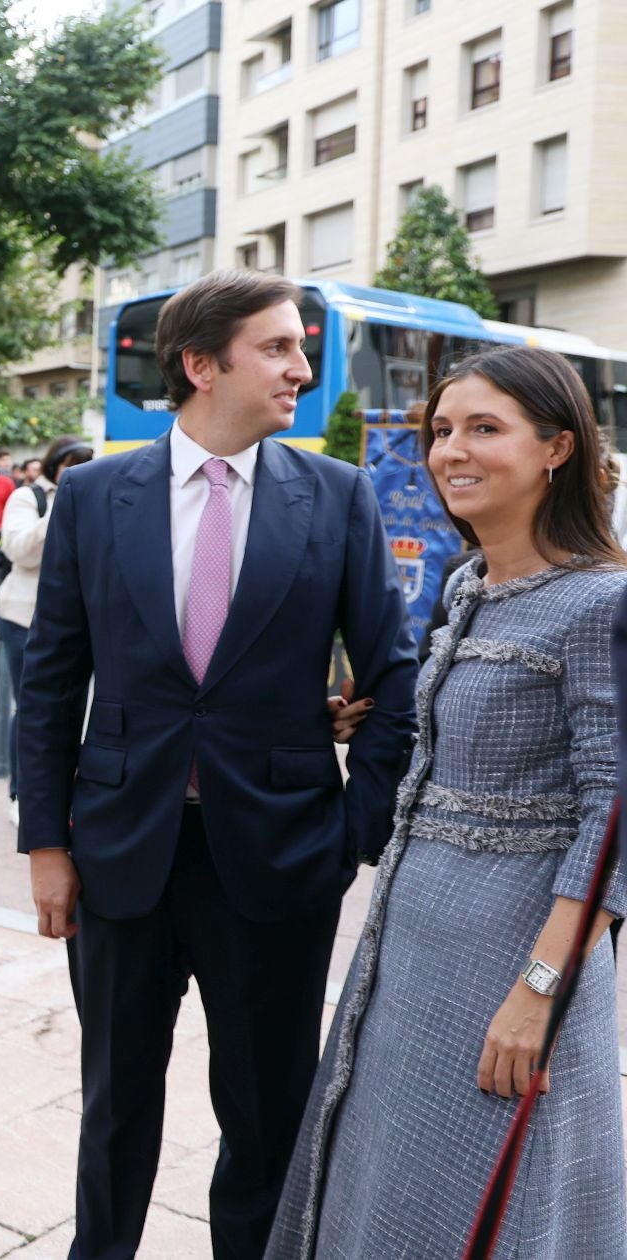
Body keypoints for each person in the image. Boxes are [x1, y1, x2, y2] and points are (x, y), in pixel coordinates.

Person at [16, 271, 418, 1259]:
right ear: (202, 364)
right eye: (279, 346)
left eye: (301, 346)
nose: (302, 366)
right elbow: (52, 681)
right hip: (118, 854)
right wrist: (44, 845)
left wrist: (350, 834)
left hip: (281, 859)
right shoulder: (95, 495)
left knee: (268, 1113)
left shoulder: (337, 497)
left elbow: (393, 676)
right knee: (116, 1106)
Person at [268, 347, 627, 1258]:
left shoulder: (602, 603)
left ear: (557, 448)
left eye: (483, 428)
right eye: (440, 430)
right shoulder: (468, 586)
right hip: (409, 941)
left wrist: (540, 993)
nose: (449, 451)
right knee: (389, 1178)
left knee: (493, 1199)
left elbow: (614, 816)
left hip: (515, 955)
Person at [0, 436, 94, 825]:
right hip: (23, 615)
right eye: (70, 463)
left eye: (84, 463)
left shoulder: (94, 492)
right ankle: (21, 792)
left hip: (78, 616)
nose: (75, 470)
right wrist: (62, 503)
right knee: (32, 707)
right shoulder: (29, 497)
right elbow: (19, 549)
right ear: (55, 463)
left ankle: (66, 787)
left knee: (76, 707)